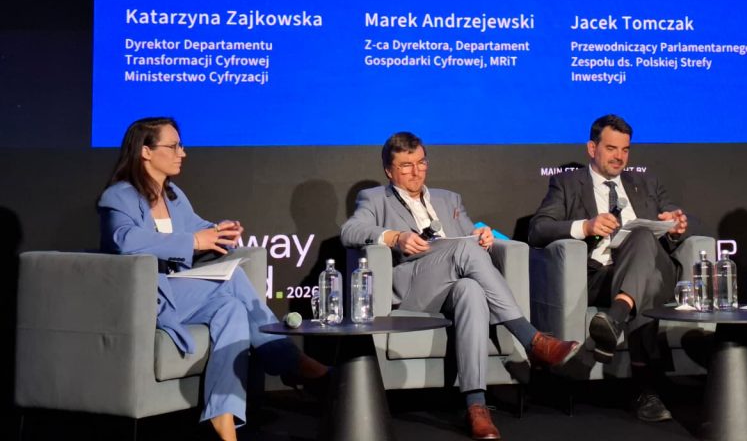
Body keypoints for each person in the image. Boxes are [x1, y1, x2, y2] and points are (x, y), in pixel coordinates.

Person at [97, 117, 329, 441]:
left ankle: (223, 421)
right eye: (173, 146)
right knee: (233, 280)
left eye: (181, 145)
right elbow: (124, 240)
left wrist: (221, 231)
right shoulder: (119, 196)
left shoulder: (173, 195)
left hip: (179, 295)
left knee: (231, 309)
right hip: (146, 298)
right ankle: (293, 362)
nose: (182, 153)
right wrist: (194, 241)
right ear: (146, 152)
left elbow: (200, 228)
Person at [339, 131, 581, 441]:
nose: (416, 172)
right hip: (413, 287)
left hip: (452, 285)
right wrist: (395, 237)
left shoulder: (448, 199)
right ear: (389, 170)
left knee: (471, 290)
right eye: (406, 166)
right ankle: (531, 339)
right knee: (465, 254)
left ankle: (476, 406)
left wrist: (484, 238)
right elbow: (350, 231)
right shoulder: (374, 198)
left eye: (421, 162)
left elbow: (469, 239)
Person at [528, 114, 689, 423]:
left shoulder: (646, 184)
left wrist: (675, 226)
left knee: (641, 236)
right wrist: (585, 226)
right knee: (645, 283)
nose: (619, 157)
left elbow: (674, 217)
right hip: (600, 276)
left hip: (654, 269)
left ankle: (615, 317)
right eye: (611, 148)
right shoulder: (567, 184)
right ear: (592, 148)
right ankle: (645, 389)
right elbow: (538, 229)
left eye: (625, 149)